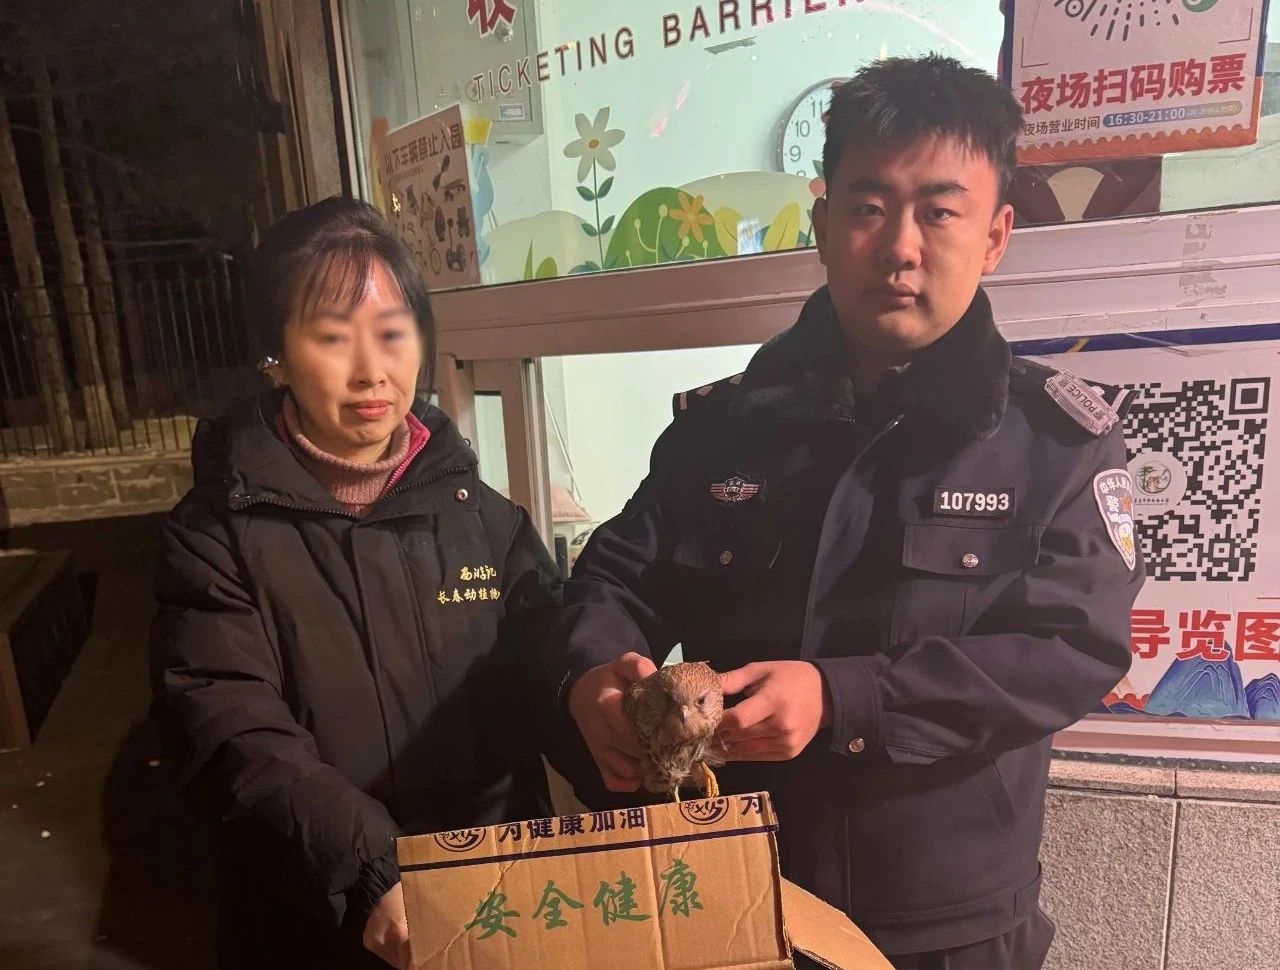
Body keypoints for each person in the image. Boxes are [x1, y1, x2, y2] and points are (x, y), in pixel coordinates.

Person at [546, 56, 1143, 969]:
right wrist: (592, 674)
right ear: (823, 225)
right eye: (868, 207)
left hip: (947, 926)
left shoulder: (1056, 444)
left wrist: (842, 699)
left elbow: (1071, 648)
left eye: (939, 212)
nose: (900, 247)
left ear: (995, 235)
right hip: (740, 898)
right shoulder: (723, 430)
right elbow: (612, 580)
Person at [150, 197, 560, 970]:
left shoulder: (484, 517)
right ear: (275, 353)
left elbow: (547, 664)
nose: (371, 371)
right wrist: (372, 869)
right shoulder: (213, 537)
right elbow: (231, 729)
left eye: (393, 334)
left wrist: (617, 705)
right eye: (333, 337)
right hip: (316, 917)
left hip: (495, 904)